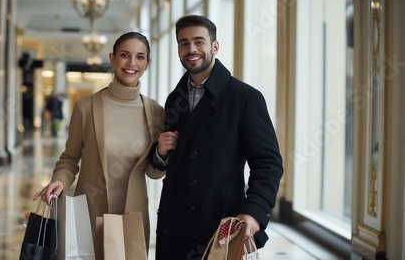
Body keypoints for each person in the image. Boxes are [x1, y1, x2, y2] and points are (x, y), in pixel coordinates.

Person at [148, 15, 284, 259]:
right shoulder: (174, 99)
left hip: (219, 220)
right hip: (175, 220)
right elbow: (171, 159)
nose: (191, 49)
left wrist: (253, 212)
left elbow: (268, 163)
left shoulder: (245, 98)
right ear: (178, 49)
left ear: (214, 46)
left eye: (199, 42)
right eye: (184, 43)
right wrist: (160, 153)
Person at [33, 32, 165, 259]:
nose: (132, 63)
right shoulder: (86, 107)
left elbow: (153, 173)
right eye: (125, 55)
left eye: (140, 57)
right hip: (91, 210)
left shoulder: (155, 112)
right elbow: (70, 158)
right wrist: (59, 180)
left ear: (148, 63)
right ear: (112, 59)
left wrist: (162, 153)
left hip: (133, 214)